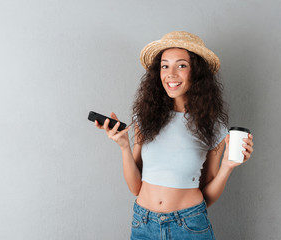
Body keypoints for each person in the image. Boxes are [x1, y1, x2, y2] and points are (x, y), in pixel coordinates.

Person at [94, 31, 254, 240]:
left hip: (189, 225)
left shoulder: (213, 125)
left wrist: (227, 167)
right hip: (143, 224)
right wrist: (124, 145)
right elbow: (135, 188)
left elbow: (206, 198)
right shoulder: (145, 117)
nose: (170, 74)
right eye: (164, 65)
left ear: (196, 72)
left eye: (181, 65)